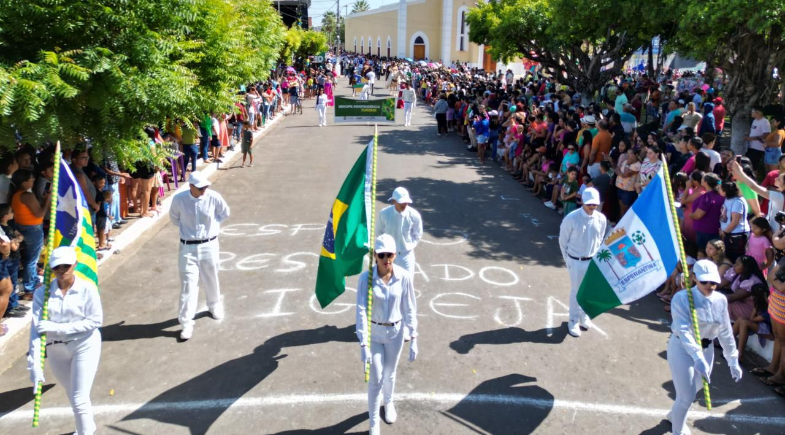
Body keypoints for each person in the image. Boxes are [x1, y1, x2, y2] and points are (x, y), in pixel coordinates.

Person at [28, 246, 103, 435]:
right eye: (56, 267)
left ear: (75, 264)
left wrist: (58, 328)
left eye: (66, 266)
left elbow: (95, 320)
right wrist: (35, 364)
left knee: (79, 398)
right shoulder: (41, 294)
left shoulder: (87, 289)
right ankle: (85, 428)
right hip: (55, 351)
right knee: (74, 397)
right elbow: (36, 331)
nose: (61, 271)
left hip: (84, 345)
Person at [667, 259, 741, 435]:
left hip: (706, 349)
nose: (709, 285)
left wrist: (732, 359)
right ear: (694, 278)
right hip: (682, 349)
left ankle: (673, 414)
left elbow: (725, 331)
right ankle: (677, 430)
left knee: (696, 387)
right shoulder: (682, 298)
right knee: (686, 397)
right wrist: (697, 356)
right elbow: (683, 330)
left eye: (713, 282)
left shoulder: (721, 300)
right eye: (704, 281)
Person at [356, 234, 418, 435]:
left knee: (390, 373)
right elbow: (361, 310)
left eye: (389, 255)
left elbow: (409, 307)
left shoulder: (403, 276)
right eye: (381, 255)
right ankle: (374, 423)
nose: (386, 260)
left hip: (396, 333)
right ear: (375, 256)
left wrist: (414, 336)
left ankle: (389, 402)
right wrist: (363, 343)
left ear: (395, 254)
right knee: (376, 378)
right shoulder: (366, 278)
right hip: (374, 334)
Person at [169, 171, 230, 340]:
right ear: (191, 187)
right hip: (187, 248)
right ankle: (186, 323)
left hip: (209, 245)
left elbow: (224, 213)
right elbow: (174, 219)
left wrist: (211, 228)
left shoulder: (214, 197)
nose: (204, 189)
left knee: (211, 278)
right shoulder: (179, 200)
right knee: (188, 285)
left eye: (206, 186)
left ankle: (214, 305)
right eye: (200, 187)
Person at [558, 187, 607, 338]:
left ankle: (583, 315)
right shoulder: (571, 218)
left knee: (588, 290)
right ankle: (572, 320)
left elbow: (600, 239)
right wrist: (568, 260)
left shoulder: (601, 219)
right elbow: (562, 241)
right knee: (576, 291)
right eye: (589, 204)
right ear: (583, 202)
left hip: (592, 261)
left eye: (595, 204)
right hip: (575, 261)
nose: (592, 207)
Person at [11, 169, 50, 298]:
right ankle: (30, 289)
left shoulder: (16, 194)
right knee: (32, 260)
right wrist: (47, 200)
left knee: (29, 259)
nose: (33, 181)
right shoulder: (27, 195)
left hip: (22, 227)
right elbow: (39, 213)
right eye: (31, 180)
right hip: (32, 229)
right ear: (24, 182)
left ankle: (30, 285)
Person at [378, 187, 423, 283]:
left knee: (407, 284)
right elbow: (379, 233)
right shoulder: (384, 214)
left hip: (406, 256)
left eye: (406, 202)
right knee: (388, 282)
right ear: (394, 201)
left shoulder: (414, 215)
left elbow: (417, 234)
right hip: (389, 256)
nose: (404, 204)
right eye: (401, 202)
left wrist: (409, 246)